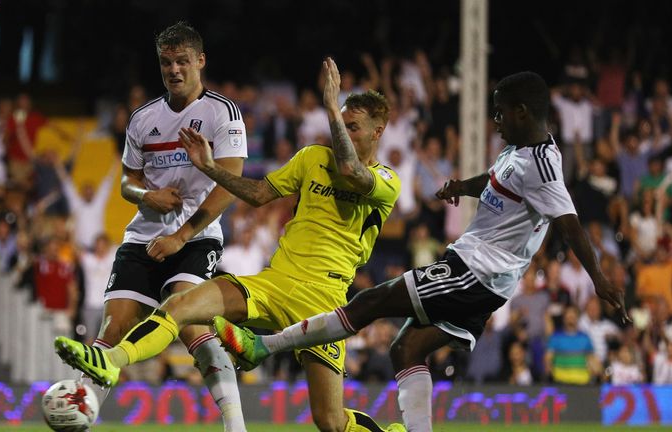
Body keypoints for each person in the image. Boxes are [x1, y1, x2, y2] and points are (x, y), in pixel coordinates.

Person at [214, 71, 629, 431]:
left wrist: (600, 279)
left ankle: (262, 347)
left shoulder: (543, 165)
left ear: (522, 111)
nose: (496, 121)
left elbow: (569, 223)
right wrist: (460, 187)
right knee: (406, 349)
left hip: (477, 272)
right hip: (480, 274)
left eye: (500, 112)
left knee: (370, 302)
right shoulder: (518, 151)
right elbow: (493, 180)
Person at [56, 57, 404, 432]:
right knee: (181, 306)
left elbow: (354, 171)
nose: (344, 135)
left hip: (324, 301)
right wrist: (211, 168)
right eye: (343, 125)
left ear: (378, 132)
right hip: (273, 284)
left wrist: (332, 108)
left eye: (354, 128)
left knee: (331, 423)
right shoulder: (313, 158)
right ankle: (111, 360)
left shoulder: (387, 181)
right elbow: (257, 193)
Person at [54, 22, 249, 432]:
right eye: (166, 62)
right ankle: (77, 419)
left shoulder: (222, 113)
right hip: (143, 235)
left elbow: (230, 184)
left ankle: (236, 427)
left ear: (200, 61)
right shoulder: (143, 118)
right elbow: (128, 181)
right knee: (113, 328)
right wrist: (146, 196)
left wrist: (180, 235)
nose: (174, 70)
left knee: (190, 321)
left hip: (196, 237)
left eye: (182, 61)